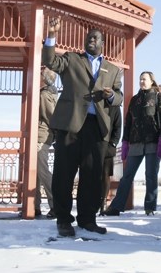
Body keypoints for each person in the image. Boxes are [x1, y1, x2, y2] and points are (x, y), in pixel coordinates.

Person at [42, 17, 123, 237]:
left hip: (97, 129)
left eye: (95, 38)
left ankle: (88, 219)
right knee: (63, 175)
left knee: (92, 177)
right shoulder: (71, 59)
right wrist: (51, 35)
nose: (91, 40)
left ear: (102, 43)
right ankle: (64, 220)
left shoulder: (113, 70)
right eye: (88, 38)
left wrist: (112, 95)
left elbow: (119, 98)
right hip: (70, 126)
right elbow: (50, 61)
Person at [104, 71, 161, 216]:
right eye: (140, 79)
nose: (142, 81)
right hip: (135, 142)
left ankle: (150, 207)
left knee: (151, 175)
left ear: (152, 81)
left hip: (153, 142)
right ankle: (116, 206)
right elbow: (128, 122)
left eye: (144, 79)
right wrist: (125, 141)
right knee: (127, 175)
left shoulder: (158, 97)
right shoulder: (134, 99)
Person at [35, 67, 58, 219]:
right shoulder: (49, 93)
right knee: (35, 172)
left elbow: (51, 116)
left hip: (41, 135)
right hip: (41, 135)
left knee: (42, 171)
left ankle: (56, 205)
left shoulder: (44, 95)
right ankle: (34, 205)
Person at [99, 103, 122, 215]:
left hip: (107, 147)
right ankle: (92, 202)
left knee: (105, 176)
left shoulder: (115, 107)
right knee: (90, 174)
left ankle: (102, 203)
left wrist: (112, 144)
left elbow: (118, 127)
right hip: (92, 145)